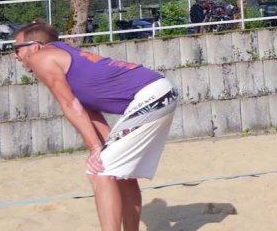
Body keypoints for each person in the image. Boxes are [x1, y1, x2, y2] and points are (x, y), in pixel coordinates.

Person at [12, 20, 178, 230]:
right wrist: (102, 147)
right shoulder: (65, 56)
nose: (15, 55)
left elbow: (69, 104)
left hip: (152, 95)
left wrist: (95, 150)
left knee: (99, 171)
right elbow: (87, 110)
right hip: (159, 91)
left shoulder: (41, 57)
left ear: (35, 46)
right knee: (120, 173)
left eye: (17, 48)